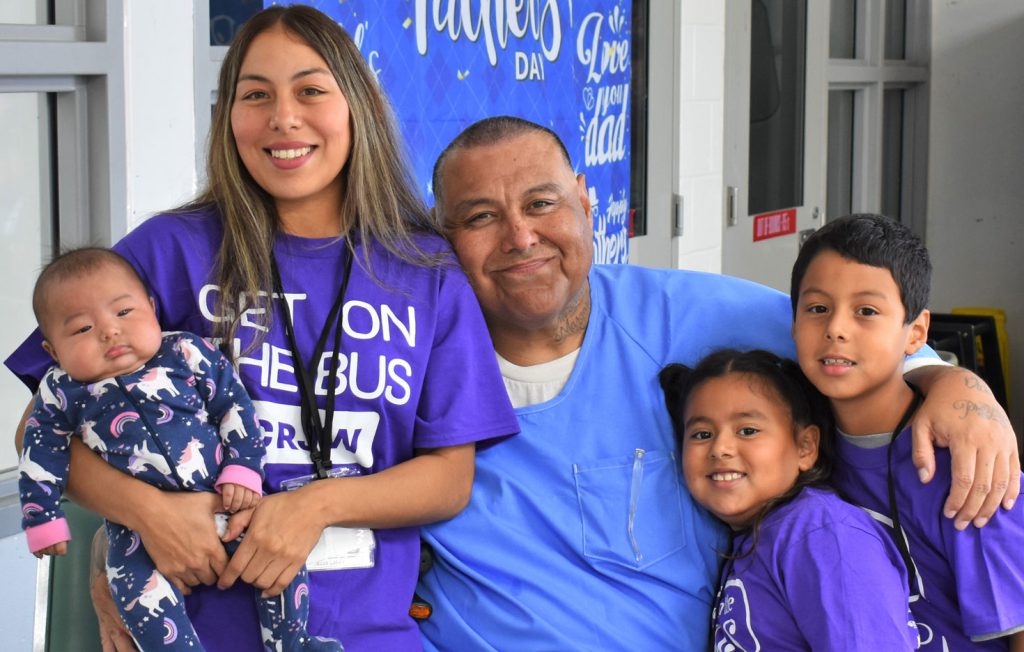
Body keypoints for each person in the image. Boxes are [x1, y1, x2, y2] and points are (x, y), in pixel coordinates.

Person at [7, 6, 518, 651]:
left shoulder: (425, 270)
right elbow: (42, 428)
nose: (283, 118)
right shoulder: (172, 251)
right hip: (187, 626)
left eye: (310, 90)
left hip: (363, 631)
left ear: (356, 106)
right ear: (229, 118)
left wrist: (316, 505)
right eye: (255, 95)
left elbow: (449, 477)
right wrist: (146, 514)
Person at [416, 115, 1019, 650]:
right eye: (481, 217)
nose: (520, 238)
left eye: (541, 204)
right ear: (443, 236)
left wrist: (955, 386)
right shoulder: (411, 360)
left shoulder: (688, 316)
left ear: (585, 201)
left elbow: (859, 342)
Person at [19, 247, 341, 651]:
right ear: (52, 351)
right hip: (135, 533)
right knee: (138, 597)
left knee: (280, 563)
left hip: (229, 501)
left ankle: (293, 644)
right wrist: (42, 518)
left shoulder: (186, 353)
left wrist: (243, 469)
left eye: (124, 313)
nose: (109, 332)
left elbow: (233, 406)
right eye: (82, 329)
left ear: (152, 308)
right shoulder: (60, 392)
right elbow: (39, 452)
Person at [791, 214, 1024, 650]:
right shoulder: (796, 444)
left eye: (867, 312)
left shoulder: (967, 466)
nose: (836, 328)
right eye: (817, 308)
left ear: (916, 332)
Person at [660, 349, 918, 649]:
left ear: (805, 447)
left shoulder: (821, 532)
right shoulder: (759, 537)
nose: (720, 448)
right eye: (702, 434)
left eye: (747, 430)